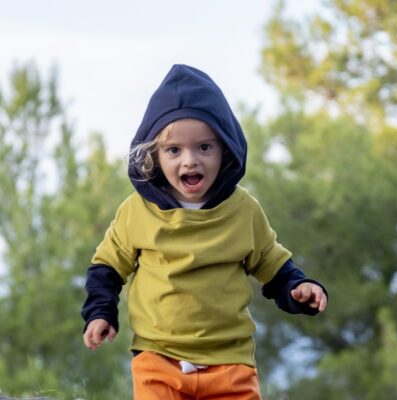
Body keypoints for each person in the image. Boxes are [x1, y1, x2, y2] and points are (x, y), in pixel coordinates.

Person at [81, 64, 328, 400]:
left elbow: (273, 266)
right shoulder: (137, 211)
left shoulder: (243, 210)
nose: (190, 161)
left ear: (225, 149)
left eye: (204, 147)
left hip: (230, 363)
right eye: (174, 150)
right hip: (159, 359)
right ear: (154, 155)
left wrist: (299, 288)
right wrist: (100, 312)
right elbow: (107, 267)